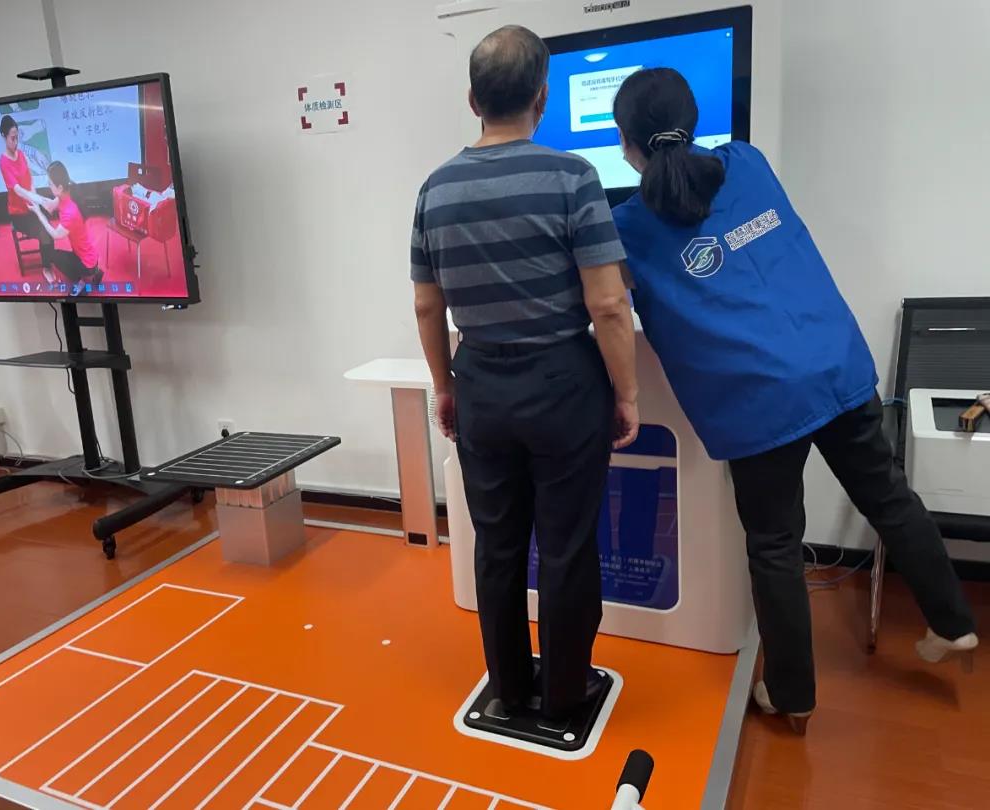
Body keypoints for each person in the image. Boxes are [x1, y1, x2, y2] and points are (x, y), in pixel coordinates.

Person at [608, 67, 978, 733]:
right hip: (833, 364)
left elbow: (611, 299)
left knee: (775, 544)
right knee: (890, 498)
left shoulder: (627, 228)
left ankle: (792, 693)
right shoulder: (746, 163)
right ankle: (953, 623)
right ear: (693, 121)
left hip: (759, 404)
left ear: (626, 144)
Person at [411, 25, 640, 722]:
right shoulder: (572, 177)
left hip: (481, 381)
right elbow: (608, 303)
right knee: (567, 546)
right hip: (562, 384)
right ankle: (565, 693)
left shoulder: (435, 188)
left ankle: (510, 688)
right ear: (543, 97)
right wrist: (626, 394)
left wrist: (445, 386)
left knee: (497, 546)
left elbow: (427, 304)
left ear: (473, 99)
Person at [31, 161, 103, 295]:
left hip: (86, 262)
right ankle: (95, 272)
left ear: (59, 187)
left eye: (50, 184)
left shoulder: (70, 213)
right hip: (89, 256)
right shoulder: (67, 193)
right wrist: (32, 198)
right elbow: (50, 205)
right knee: (68, 254)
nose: (48, 186)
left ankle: (81, 282)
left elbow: (55, 234)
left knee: (53, 256)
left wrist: (38, 213)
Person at [0, 114, 54, 265]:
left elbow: (30, 182)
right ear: (3, 136)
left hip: (32, 207)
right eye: (12, 138)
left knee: (49, 226)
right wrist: (39, 200)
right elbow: (18, 190)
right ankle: (47, 266)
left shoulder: (22, 155)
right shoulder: (3, 162)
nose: (16, 142)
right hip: (19, 213)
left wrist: (37, 203)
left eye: (17, 137)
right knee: (44, 231)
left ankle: (50, 260)